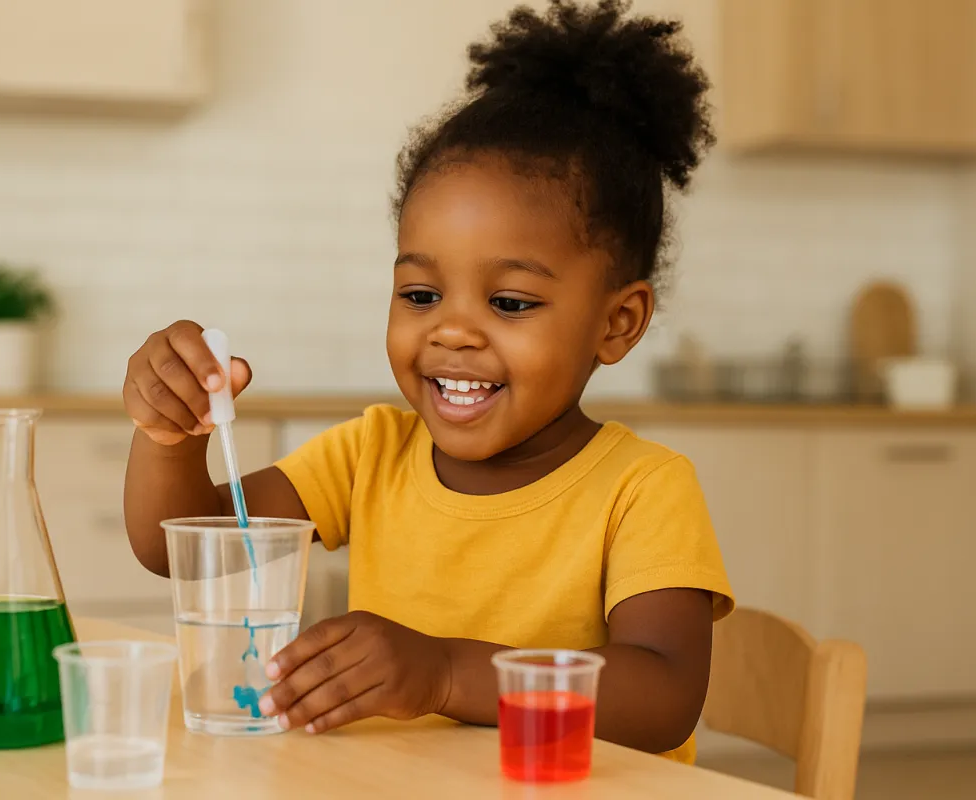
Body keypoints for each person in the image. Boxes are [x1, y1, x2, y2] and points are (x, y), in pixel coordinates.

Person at [122, 0, 733, 764]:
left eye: (509, 302)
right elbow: (178, 543)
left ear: (618, 323)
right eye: (420, 295)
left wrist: (442, 671)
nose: (451, 330)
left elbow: (663, 698)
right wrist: (170, 437)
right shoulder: (372, 454)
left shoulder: (643, 489)